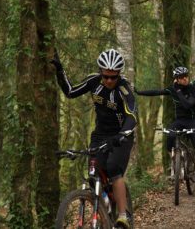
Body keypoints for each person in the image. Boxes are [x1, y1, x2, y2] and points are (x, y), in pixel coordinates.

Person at [50, 48, 137, 228]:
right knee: (93, 171)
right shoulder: (93, 81)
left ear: (119, 75)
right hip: (100, 135)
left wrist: (122, 134)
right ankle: (102, 200)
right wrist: (60, 70)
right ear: (100, 72)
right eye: (106, 76)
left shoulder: (124, 88)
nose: (109, 80)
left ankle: (123, 215)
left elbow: (132, 116)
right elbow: (70, 91)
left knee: (113, 169)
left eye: (113, 77)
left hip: (121, 135)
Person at [135, 67, 195, 183]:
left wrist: (178, 91)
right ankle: (174, 161)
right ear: (176, 79)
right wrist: (138, 92)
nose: (185, 79)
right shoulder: (173, 89)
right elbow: (157, 92)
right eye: (182, 77)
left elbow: (187, 105)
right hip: (179, 121)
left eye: (186, 76)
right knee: (170, 136)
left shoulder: (193, 88)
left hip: (192, 121)